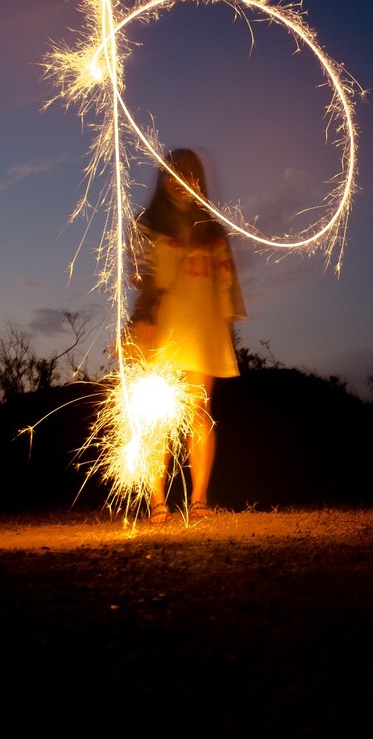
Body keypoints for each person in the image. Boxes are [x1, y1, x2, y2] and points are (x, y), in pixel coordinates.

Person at [129, 148, 246, 524]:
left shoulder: (213, 231)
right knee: (157, 415)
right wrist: (143, 320)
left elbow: (226, 282)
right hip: (162, 326)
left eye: (189, 175)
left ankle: (199, 500)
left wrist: (227, 322)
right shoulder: (146, 225)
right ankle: (157, 501)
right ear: (162, 178)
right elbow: (140, 277)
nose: (181, 182)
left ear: (200, 182)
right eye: (172, 173)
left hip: (204, 326)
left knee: (199, 411)